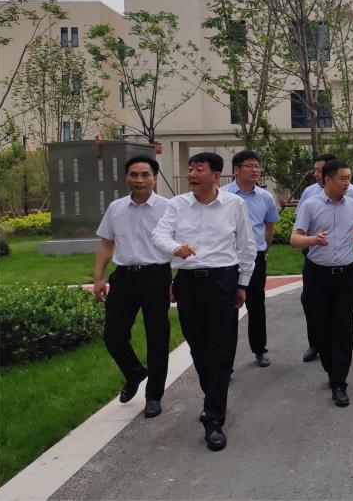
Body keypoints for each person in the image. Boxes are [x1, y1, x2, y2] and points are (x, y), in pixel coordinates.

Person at [152, 152, 256, 452]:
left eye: (199, 169)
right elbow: (158, 235)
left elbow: (246, 246)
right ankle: (213, 394)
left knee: (221, 351)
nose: (192, 174)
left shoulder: (234, 205)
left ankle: (213, 419)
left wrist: (243, 283)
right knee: (199, 348)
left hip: (223, 281)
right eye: (190, 169)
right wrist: (176, 248)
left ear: (216, 175)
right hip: (188, 284)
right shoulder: (177, 204)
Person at [93, 156, 171, 419]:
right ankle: (134, 372)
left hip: (156, 277)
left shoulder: (168, 208)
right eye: (134, 175)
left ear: (155, 178)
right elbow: (106, 243)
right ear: (126, 177)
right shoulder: (116, 208)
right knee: (113, 334)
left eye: (145, 175)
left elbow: (181, 245)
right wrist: (98, 278)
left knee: (157, 337)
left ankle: (154, 396)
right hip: (124, 278)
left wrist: (177, 280)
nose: (139, 180)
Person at [291, 159, 353, 407]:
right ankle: (330, 367)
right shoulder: (310, 205)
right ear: (328, 180)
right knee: (320, 328)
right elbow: (294, 239)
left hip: (347, 274)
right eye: (343, 178)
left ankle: (339, 382)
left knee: (343, 328)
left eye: (349, 178)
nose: (348, 183)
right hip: (318, 275)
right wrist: (314, 240)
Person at [221, 151, 280, 368]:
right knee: (228, 310)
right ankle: (226, 360)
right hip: (228, 259)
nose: (255, 170)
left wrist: (263, 251)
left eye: (257, 166)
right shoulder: (223, 195)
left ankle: (260, 349)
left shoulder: (265, 197)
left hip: (256, 258)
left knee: (256, 305)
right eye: (249, 166)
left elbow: (269, 226)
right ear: (236, 169)